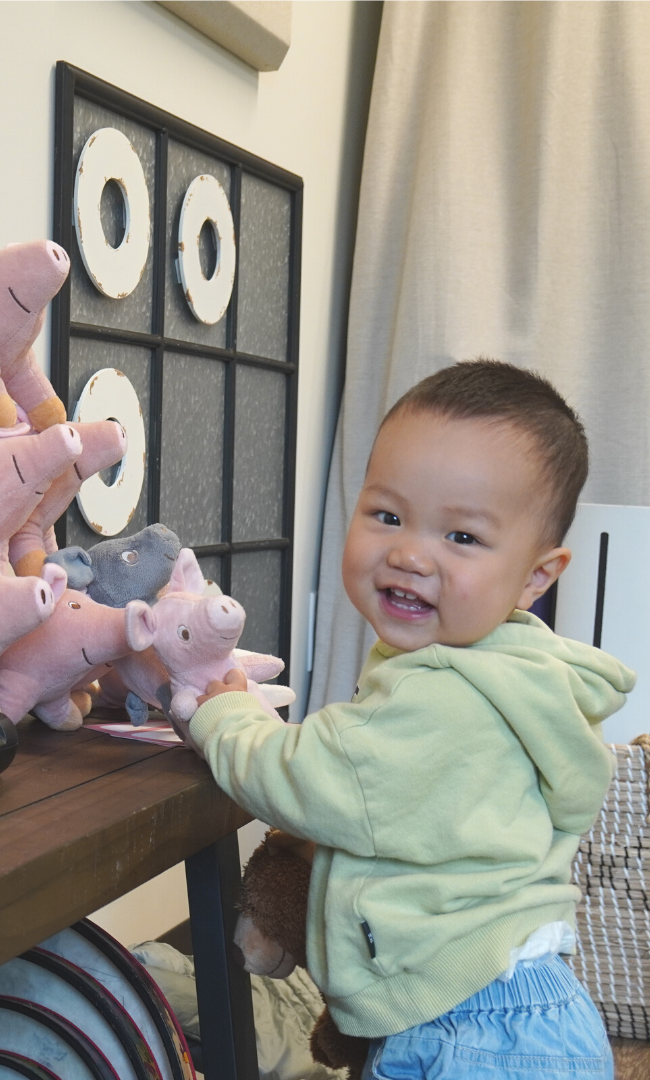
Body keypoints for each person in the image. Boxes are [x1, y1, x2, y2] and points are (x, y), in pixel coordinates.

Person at [186, 359, 634, 1079]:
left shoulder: (447, 695)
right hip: (506, 1010)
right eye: (388, 516)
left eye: (461, 537)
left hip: (476, 1031)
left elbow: (310, 777)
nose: (409, 553)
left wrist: (225, 714)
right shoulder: (516, 673)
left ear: (535, 576)